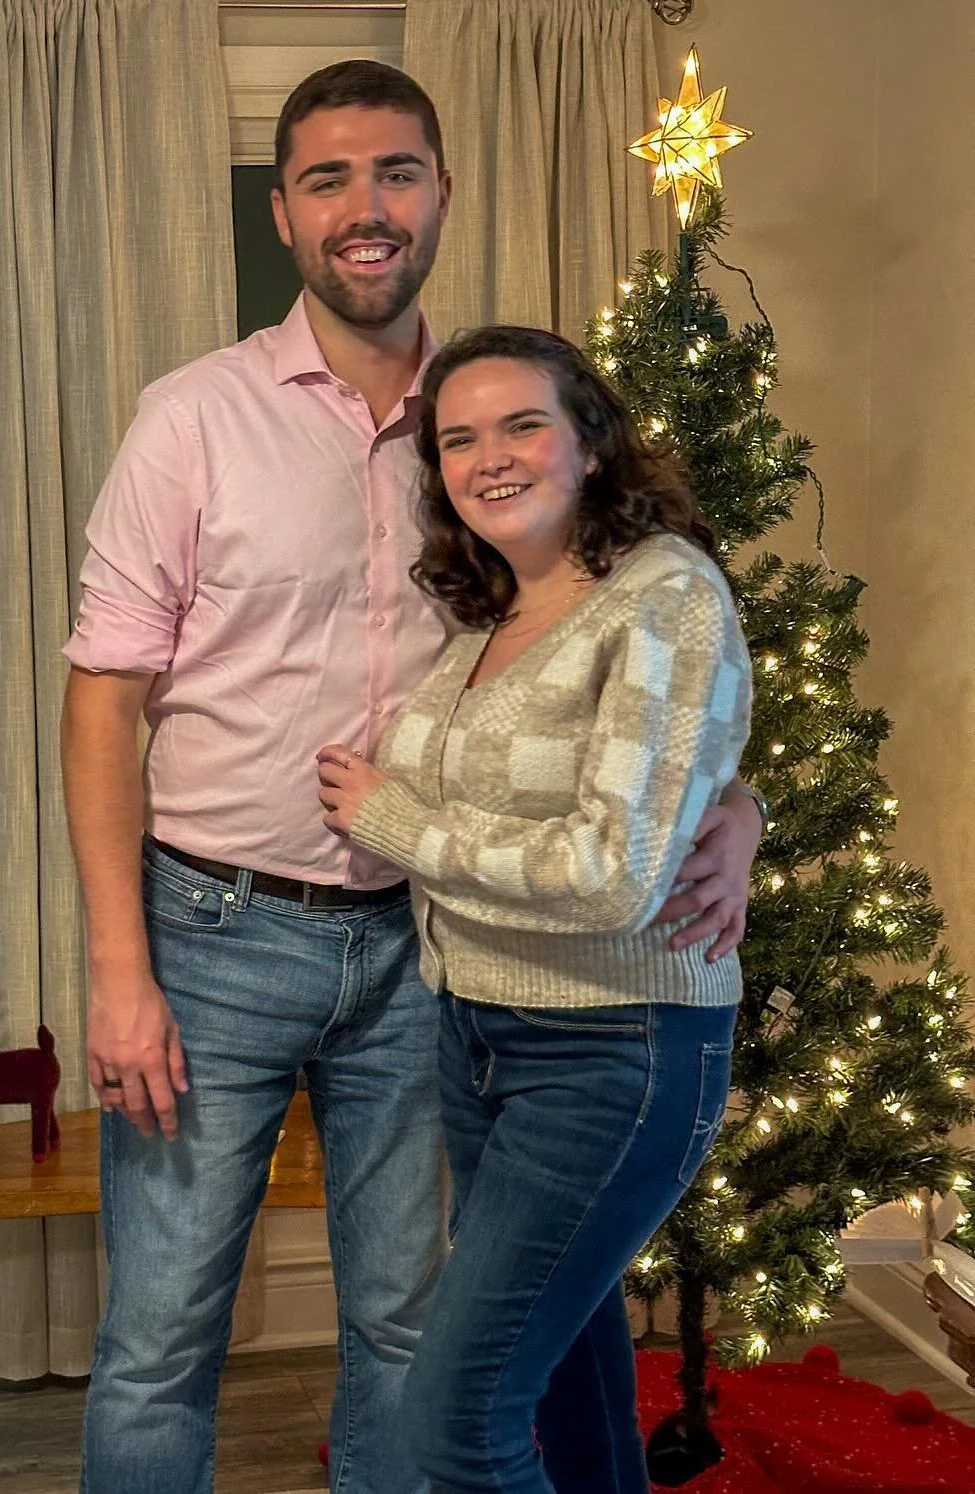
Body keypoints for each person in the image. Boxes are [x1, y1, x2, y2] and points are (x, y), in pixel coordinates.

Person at [60, 62, 760, 1494]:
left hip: (430, 949)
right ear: (283, 213)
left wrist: (734, 811)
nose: (364, 208)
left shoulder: (493, 424)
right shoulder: (193, 419)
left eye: (394, 172)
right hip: (216, 931)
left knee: (402, 1328)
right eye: (327, 179)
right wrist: (120, 970)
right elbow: (103, 698)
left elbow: (629, 660)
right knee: (160, 1337)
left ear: (441, 192)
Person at [316, 324, 754, 1494]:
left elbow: (614, 874)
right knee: (566, 1391)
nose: (490, 458)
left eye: (522, 425)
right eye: (459, 440)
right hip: (480, 1033)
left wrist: (392, 822)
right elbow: (665, 780)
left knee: (456, 1420)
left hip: (615, 1044)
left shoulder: (662, 595)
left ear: (591, 442)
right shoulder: (491, 610)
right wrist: (739, 804)